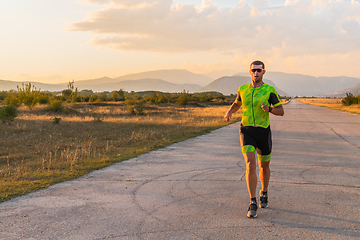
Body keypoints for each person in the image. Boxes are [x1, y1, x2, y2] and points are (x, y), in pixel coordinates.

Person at [224, 60, 284, 218]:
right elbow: (237, 103)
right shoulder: (242, 89)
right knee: (250, 164)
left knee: (264, 167)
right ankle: (252, 202)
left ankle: (264, 192)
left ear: (264, 72)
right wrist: (229, 111)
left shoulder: (269, 90)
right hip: (246, 131)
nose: (256, 73)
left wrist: (269, 109)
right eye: (253, 70)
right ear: (250, 72)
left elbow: (281, 111)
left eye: (259, 70)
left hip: (263, 132)